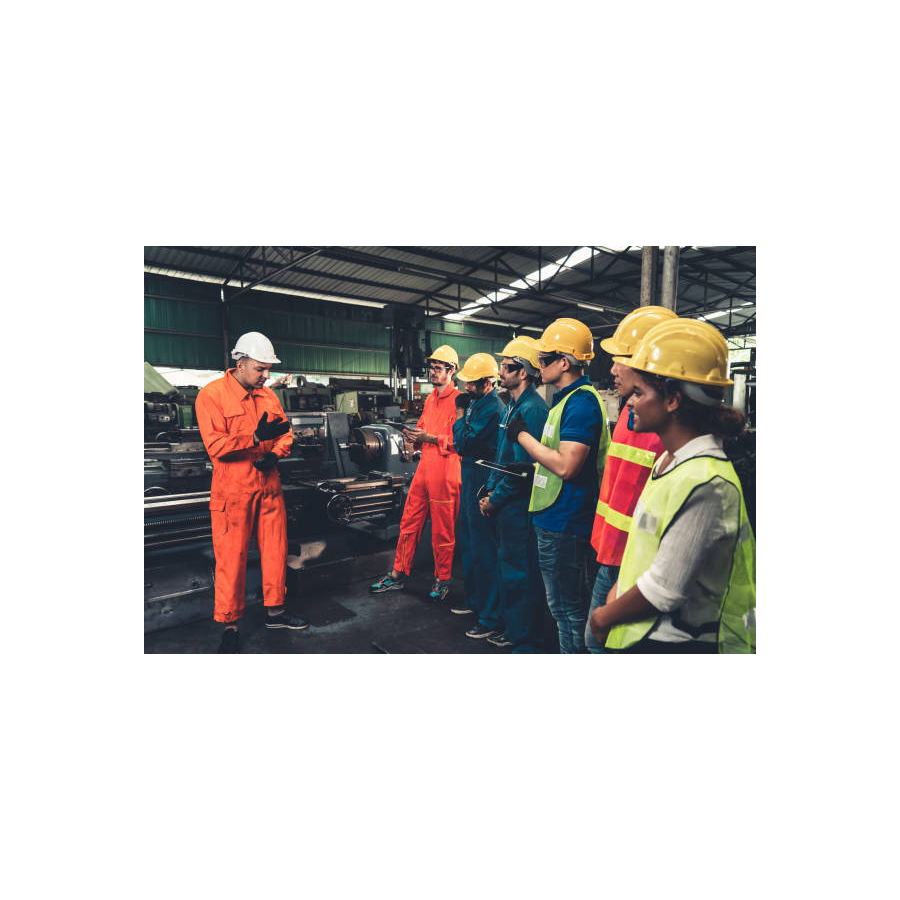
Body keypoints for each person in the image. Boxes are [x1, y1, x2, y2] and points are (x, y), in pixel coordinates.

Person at [589, 318, 756, 653]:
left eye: (639, 393)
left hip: (675, 643)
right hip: (641, 631)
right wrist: (616, 592)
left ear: (673, 400)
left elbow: (664, 590)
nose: (630, 402)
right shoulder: (670, 461)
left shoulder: (707, 483)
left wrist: (602, 617)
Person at [195, 332, 309, 654]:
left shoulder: (268, 397)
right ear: (240, 362)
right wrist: (254, 438)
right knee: (231, 559)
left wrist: (275, 453)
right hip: (233, 491)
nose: (266, 375)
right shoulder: (212, 396)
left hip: (268, 485)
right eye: (261, 368)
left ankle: (275, 611)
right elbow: (216, 446)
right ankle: (230, 625)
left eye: (268, 369)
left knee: (275, 551)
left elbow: (285, 433)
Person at [506, 318, 609, 653]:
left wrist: (522, 436)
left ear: (565, 362)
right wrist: (533, 466)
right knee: (564, 609)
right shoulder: (565, 400)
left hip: (565, 521)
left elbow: (567, 466)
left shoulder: (580, 402)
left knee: (567, 610)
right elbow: (557, 458)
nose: (539, 365)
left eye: (544, 359)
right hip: (555, 518)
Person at [585, 306, 676, 652]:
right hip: (611, 552)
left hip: (638, 564)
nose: (612, 369)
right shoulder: (629, 410)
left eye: (620, 358)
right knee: (595, 642)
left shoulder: (669, 428)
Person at [369, 345, 462, 602]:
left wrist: (429, 438)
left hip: (446, 471)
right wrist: (412, 438)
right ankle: (398, 574)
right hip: (424, 469)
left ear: (452, 370)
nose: (433, 372)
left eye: (438, 368)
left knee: (442, 531)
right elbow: (422, 429)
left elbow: (461, 442)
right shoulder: (431, 399)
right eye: (432, 367)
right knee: (409, 522)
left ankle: (443, 580)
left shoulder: (460, 401)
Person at [478, 337, 549, 651]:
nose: (500, 372)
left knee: (521, 572)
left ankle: (525, 636)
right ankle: (513, 626)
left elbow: (522, 470)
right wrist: (490, 489)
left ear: (523, 372)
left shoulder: (533, 409)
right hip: (505, 503)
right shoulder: (511, 407)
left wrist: (495, 498)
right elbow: (502, 456)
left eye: (507, 367)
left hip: (519, 505)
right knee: (508, 569)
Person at [450, 352, 506, 634]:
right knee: (470, 545)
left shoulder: (492, 407)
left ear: (488, 382)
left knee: (484, 549)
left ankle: (490, 616)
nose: (466, 387)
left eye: (472, 383)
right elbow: (462, 441)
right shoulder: (476, 402)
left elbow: (463, 442)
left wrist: (460, 416)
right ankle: (475, 601)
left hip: (482, 476)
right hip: (470, 474)